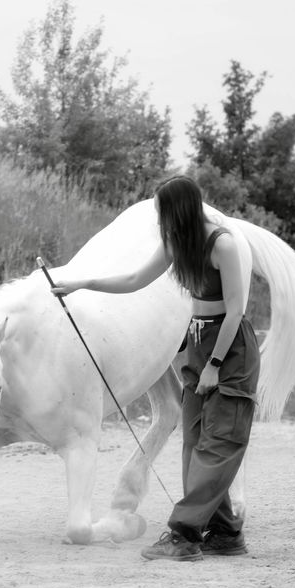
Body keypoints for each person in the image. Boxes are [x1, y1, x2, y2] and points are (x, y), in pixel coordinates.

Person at [51, 175, 259, 562]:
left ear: (178, 210)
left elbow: (235, 311)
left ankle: (183, 534)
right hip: (197, 339)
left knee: (220, 443)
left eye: (162, 211)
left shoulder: (223, 244)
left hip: (229, 347)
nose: (158, 219)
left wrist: (214, 364)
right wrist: (81, 283)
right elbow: (134, 279)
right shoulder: (178, 244)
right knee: (194, 441)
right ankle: (226, 533)